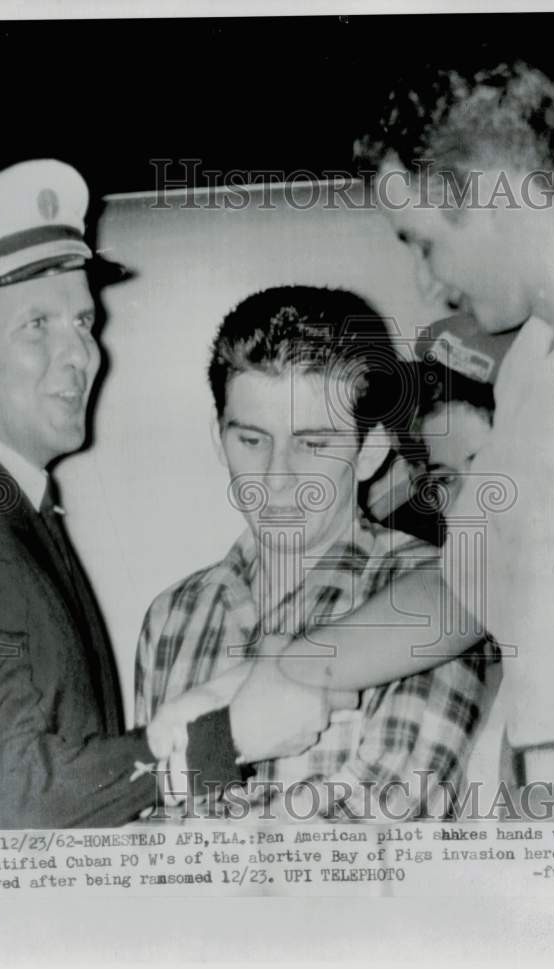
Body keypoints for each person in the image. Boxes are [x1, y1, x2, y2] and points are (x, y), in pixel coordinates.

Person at [0, 161, 347, 829]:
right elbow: (4, 799)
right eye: (37, 326)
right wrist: (227, 738)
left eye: (83, 323)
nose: (80, 354)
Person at [274, 61, 554, 794]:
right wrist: (293, 667)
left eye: (424, 242)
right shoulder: (532, 363)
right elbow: (466, 589)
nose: (425, 286)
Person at [135, 286, 499, 818]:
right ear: (219, 439)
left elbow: (377, 842)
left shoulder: (437, 594)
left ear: (370, 448)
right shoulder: (171, 617)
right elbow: (143, 812)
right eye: (252, 441)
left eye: (312, 444)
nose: (277, 479)